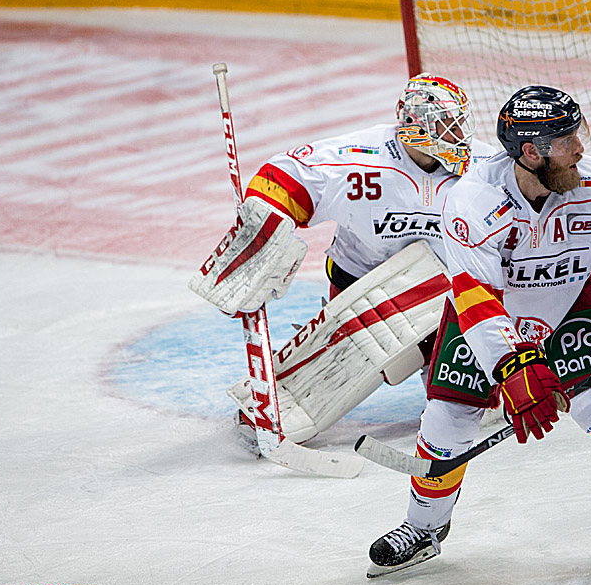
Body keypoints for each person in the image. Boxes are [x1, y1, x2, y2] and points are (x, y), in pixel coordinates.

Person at [367, 85, 591, 579]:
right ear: (529, 151)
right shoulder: (472, 200)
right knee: (448, 413)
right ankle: (424, 528)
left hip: (572, 299)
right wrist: (515, 366)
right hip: (490, 311)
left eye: (577, 134)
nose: (580, 147)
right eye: (565, 140)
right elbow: (477, 296)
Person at [196, 73, 496, 448]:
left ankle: (451, 371)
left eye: (458, 124)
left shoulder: (485, 167)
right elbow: (283, 176)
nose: (456, 136)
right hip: (362, 283)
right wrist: (261, 234)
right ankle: (271, 401)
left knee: (471, 402)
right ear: (414, 125)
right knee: (346, 367)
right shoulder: (358, 158)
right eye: (444, 126)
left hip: (447, 290)